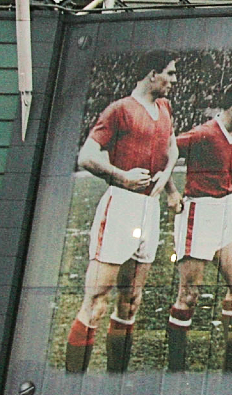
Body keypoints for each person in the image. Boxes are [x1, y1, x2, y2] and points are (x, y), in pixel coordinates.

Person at [70, 51, 181, 374]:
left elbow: (169, 148)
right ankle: (71, 386)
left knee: (131, 301)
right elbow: (86, 156)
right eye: (170, 74)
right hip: (120, 205)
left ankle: (114, 381)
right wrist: (122, 175)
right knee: (96, 302)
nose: (174, 80)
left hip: (149, 209)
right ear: (151, 74)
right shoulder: (120, 110)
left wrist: (169, 186)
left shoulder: (164, 107)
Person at [167, 80, 232, 372]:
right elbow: (163, 150)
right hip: (199, 212)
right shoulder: (204, 134)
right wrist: (170, 192)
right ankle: (176, 369)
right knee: (189, 295)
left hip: (225, 211)